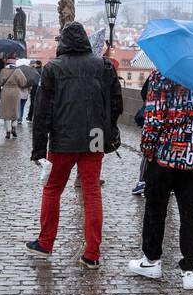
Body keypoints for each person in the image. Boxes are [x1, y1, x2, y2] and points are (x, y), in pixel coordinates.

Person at [26, 21, 123, 268]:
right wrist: (108, 130)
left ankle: (45, 243)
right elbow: (116, 104)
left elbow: (42, 112)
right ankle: (92, 253)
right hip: (95, 136)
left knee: (52, 189)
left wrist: (39, 149)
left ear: (64, 43)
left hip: (62, 136)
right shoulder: (104, 66)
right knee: (91, 191)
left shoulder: (53, 69)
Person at [128, 70, 193, 290]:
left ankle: (152, 261)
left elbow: (153, 118)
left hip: (164, 155)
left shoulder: (162, 75)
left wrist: (148, 150)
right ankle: (190, 271)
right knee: (192, 213)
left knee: (156, 209)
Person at [130, 72, 154, 195]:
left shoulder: (156, 75)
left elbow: (144, 92)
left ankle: (142, 181)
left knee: (148, 151)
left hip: (153, 119)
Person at [0, 57, 26, 139]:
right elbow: (23, 82)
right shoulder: (18, 71)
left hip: (5, 91)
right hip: (15, 91)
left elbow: (0, 82)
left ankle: (8, 131)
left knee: (6, 112)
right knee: (15, 110)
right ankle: (14, 126)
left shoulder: (3, 71)